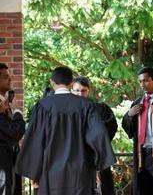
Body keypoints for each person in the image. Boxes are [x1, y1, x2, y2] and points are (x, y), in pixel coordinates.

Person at [15, 66, 116, 194]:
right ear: (70, 83)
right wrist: (98, 163)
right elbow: (98, 135)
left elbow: (35, 141)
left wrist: (33, 173)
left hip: (50, 174)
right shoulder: (86, 106)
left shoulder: (43, 106)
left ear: (52, 82)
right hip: (80, 174)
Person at [122, 67, 153, 195]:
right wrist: (129, 115)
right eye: (140, 81)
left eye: (146, 81)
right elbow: (129, 130)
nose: (143, 84)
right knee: (143, 189)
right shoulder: (138, 102)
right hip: (141, 155)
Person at [72, 76, 118, 195]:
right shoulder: (67, 112)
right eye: (77, 90)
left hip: (97, 156)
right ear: (72, 90)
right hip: (74, 159)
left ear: (89, 91)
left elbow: (110, 128)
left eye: (83, 90)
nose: (80, 94)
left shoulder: (101, 109)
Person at [0, 63, 25, 195]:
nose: (10, 79)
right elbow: (16, 132)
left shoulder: (4, 105)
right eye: (5, 77)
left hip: (11, 164)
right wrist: (17, 112)